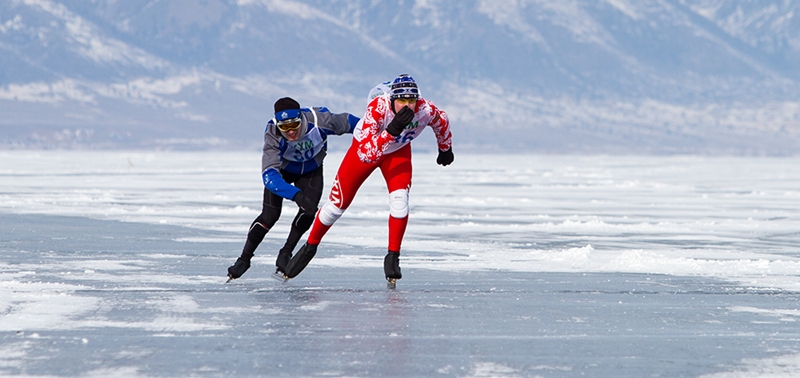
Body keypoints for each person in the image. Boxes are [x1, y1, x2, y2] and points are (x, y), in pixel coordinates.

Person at [282, 74, 454, 284]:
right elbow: (367, 155)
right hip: (364, 150)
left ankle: (393, 257)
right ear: (392, 100)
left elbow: (442, 122)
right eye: (402, 101)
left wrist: (445, 148)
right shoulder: (377, 109)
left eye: (411, 101)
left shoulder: (425, 110)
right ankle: (309, 247)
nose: (407, 106)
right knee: (336, 207)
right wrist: (391, 131)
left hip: (398, 152)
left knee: (400, 202)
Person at [226, 97, 359, 281]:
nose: (290, 132)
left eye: (294, 125)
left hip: (311, 170)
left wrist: (388, 131)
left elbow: (356, 124)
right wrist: (295, 195)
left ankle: (286, 252)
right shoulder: (273, 131)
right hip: (284, 171)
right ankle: (244, 259)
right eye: (284, 128)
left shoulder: (320, 120)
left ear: (301, 119)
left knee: (309, 211)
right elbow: (269, 175)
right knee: (269, 217)